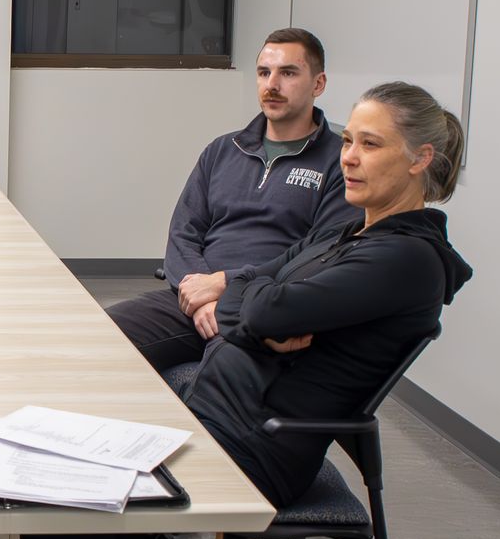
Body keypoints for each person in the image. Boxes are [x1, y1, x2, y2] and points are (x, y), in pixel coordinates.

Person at [24, 81, 471, 539]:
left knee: (45, 495)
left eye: (370, 144)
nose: (348, 156)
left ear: (418, 159)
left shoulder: (404, 259)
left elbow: (262, 305)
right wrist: (260, 308)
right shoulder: (352, 229)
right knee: (48, 452)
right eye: (347, 140)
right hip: (219, 406)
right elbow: (261, 286)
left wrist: (259, 309)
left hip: (258, 442)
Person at [109, 28, 352, 373]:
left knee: (220, 376)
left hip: (262, 307)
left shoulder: (340, 163)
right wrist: (200, 296)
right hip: (192, 299)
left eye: (288, 73)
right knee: (101, 336)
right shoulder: (224, 150)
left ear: (318, 84)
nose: (272, 84)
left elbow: (319, 257)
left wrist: (226, 290)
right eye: (264, 72)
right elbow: (183, 233)